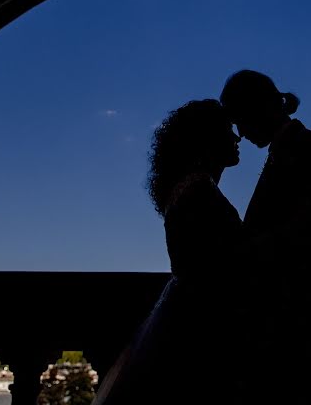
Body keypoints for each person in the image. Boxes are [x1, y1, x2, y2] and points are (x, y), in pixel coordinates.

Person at [94, 99, 245, 405]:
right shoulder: (199, 191)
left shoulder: (189, 188)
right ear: (206, 139)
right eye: (227, 130)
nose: (236, 137)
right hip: (201, 329)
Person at [219, 70, 311, 405]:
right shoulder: (296, 146)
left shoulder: (304, 146)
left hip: (294, 316)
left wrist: (238, 252)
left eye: (240, 120)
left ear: (260, 108)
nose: (240, 133)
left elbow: (303, 230)